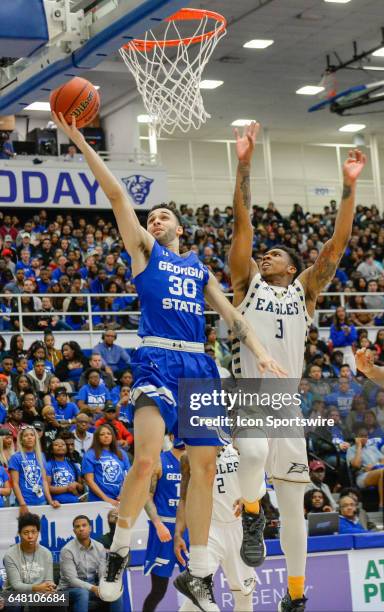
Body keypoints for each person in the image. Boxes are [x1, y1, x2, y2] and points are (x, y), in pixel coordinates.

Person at [53, 111, 284, 609]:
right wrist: (77, 140)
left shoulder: (198, 268)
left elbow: (231, 316)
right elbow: (117, 195)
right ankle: (118, 552)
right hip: (157, 358)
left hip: (199, 365)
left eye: (163, 216)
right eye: (150, 216)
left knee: (203, 467)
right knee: (147, 460)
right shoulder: (144, 251)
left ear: (180, 226)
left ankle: (198, 573)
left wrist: (262, 352)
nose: (154, 220)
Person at [228, 121, 366, 611]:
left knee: (293, 505)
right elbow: (242, 222)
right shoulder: (247, 284)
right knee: (250, 456)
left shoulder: (306, 291)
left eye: (277, 253)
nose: (266, 254)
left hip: (288, 402)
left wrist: (349, 187)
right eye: (265, 252)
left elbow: (338, 244)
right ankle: (249, 514)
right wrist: (243, 163)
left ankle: (296, 596)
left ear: (293, 266)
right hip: (252, 389)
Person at [175, 445, 257, 612]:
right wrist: (178, 533)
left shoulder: (239, 449)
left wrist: (249, 498)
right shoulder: (188, 457)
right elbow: (184, 498)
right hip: (208, 528)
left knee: (245, 594)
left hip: (238, 527)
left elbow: (256, 482)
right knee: (197, 592)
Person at [142, 440, 186, 612]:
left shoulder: (196, 459)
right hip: (164, 528)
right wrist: (158, 523)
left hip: (188, 528)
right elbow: (146, 496)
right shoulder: (159, 461)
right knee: (159, 590)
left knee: (198, 586)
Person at [58, 515, 122, 612]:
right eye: (77, 526)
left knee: (115, 592)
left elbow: (102, 572)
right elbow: (72, 580)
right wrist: (93, 588)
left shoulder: (99, 547)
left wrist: (104, 587)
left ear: (90, 528)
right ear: (74, 531)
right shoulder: (67, 550)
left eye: (84, 525)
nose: (81, 529)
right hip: (69, 590)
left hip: (93, 586)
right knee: (82, 593)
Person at [9, 426, 61, 512]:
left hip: (42, 501)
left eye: (32, 435)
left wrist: (50, 500)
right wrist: (22, 504)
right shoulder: (15, 457)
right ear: (21, 440)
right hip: (25, 502)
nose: (29, 437)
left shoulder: (41, 456)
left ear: (35, 438)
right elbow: (15, 483)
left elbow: (44, 481)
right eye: (26, 436)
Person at [3, 513, 55, 595]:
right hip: (15, 594)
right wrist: (37, 588)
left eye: (33, 532)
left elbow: (49, 580)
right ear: (19, 534)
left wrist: (49, 587)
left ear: (38, 533)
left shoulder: (46, 553)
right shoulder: (10, 555)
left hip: (40, 592)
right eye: (26, 533)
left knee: (59, 600)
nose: (30, 536)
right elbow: (16, 585)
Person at [82, 424, 130, 504]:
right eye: (102, 434)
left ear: (113, 436)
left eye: (109, 433)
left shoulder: (122, 453)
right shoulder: (90, 455)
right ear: (97, 437)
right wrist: (106, 499)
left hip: (120, 500)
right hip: (98, 500)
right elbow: (89, 480)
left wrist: (123, 494)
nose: (106, 436)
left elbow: (127, 476)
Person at [346, 424, 384, 506]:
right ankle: (382, 504)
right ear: (356, 437)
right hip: (362, 477)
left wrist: (375, 466)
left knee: (383, 472)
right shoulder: (351, 450)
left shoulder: (372, 448)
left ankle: (382, 504)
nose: (364, 438)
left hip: (378, 472)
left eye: (366, 436)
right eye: (361, 436)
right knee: (382, 472)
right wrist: (359, 446)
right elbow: (356, 465)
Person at [46, 437, 84, 504]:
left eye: (63, 444)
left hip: (75, 502)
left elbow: (82, 488)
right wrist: (67, 488)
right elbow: (47, 487)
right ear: (51, 450)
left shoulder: (73, 465)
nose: (60, 446)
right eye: (56, 444)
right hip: (57, 504)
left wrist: (77, 484)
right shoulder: (48, 465)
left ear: (66, 449)